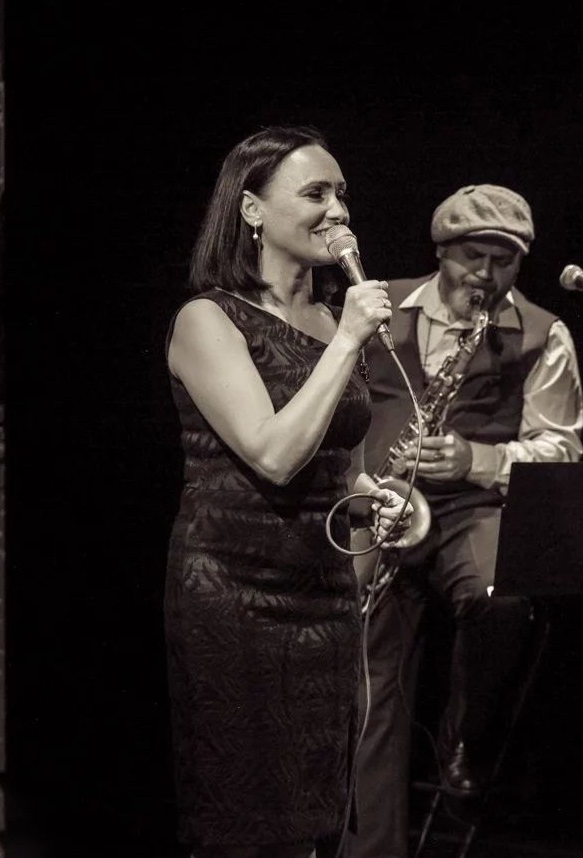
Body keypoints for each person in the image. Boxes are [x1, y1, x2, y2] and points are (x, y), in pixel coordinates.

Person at [163, 125, 410, 857]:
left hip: (325, 598)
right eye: (315, 193)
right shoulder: (207, 319)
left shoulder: (335, 319)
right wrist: (348, 341)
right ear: (251, 210)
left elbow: (339, 464)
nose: (338, 211)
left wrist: (373, 498)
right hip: (235, 595)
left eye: (342, 194)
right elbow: (272, 454)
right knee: (247, 818)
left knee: (317, 812)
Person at [350, 184, 583, 857]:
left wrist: (475, 459)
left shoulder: (543, 332)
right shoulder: (379, 307)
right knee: (370, 692)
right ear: (441, 251)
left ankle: (464, 738)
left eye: (503, 262)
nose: (485, 274)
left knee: (500, 597)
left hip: (472, 507)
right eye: (471, 257)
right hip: (380, 505)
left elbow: (561, 448)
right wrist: (362, 485)